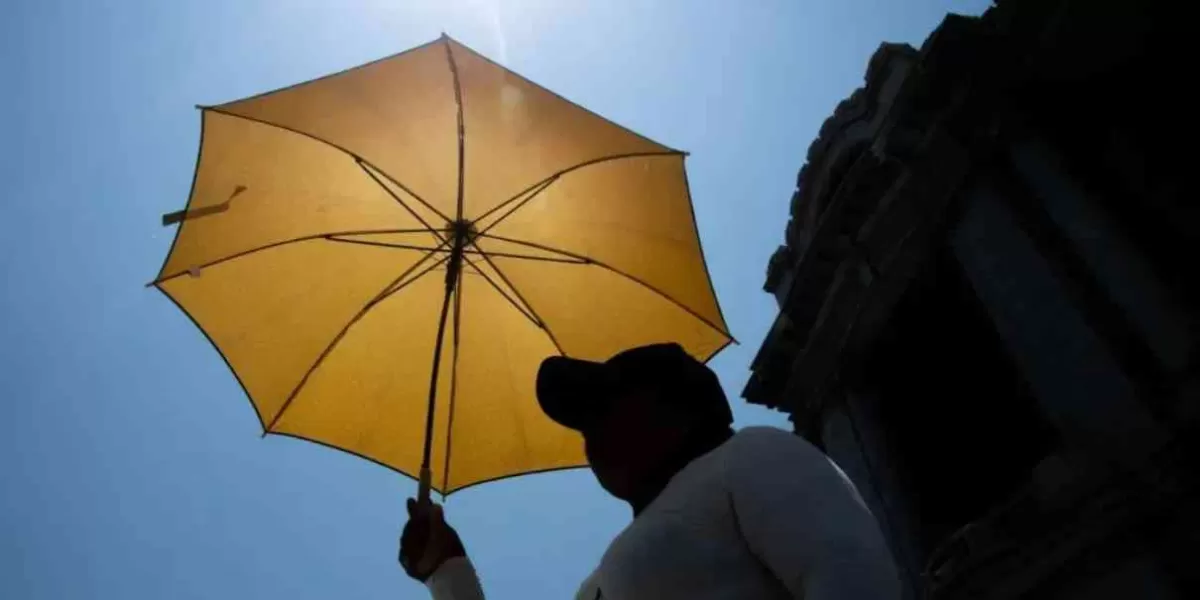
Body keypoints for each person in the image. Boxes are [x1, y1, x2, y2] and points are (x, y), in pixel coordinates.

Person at [400, 343, 900, 599]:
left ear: (672, 405)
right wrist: (448, 570)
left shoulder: (750, 455)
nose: (590, 439)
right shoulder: (596, 583)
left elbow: (848, 574)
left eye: (604, 408)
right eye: (584, 424)